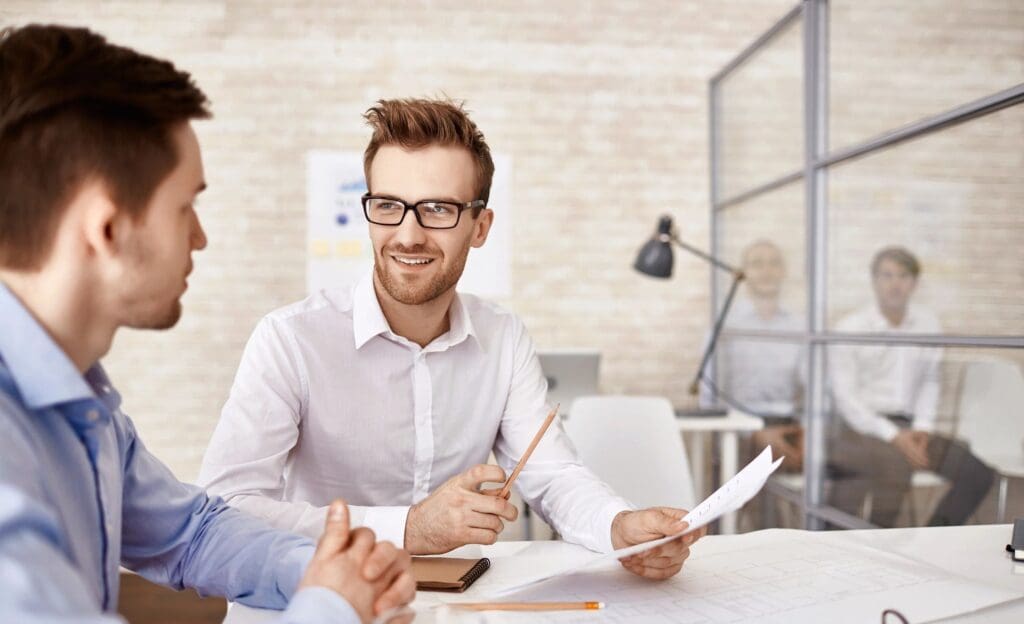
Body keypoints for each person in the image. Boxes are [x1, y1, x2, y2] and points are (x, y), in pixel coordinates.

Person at [0, 25, 414, 624]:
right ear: (105, 228)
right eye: (185, 207)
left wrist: (324, 570)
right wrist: (332, 617)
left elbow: (188, 530)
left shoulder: (83, 405)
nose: (201, 237)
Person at [199, 98, 702, 579]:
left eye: (437, 209)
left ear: (479, 226)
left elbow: (552, 475)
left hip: (464, 605)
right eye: (389, 206)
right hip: (321, 597)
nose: (409, 235)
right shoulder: (289, 340)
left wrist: (617, 528)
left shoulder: (503, 338)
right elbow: (228, 509)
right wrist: (411, 529)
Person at [827, 246, 994, 527]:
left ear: (914, 283)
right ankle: (872, 548)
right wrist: (894, 435)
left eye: (903, 276)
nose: (895, 283)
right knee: (893, 470)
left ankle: (934, 535)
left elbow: (930, 381)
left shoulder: (927, 324)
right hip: (863, 429)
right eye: (887, 275)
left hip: (913, 428)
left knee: (977, 475)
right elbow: (846, 398)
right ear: (874, 280)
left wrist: (923, 429)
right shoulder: (850, 328)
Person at [700, 240, 804, 468]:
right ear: (743, 272)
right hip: (737, 430)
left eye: (774, 263)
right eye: (757, 264)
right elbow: (709, 397)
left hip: (788, 427)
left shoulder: (801, 327)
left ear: (784, 271)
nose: (766, 271)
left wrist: (806, 430)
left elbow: (813, 388)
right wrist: (753, 433)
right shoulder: (724, 325)